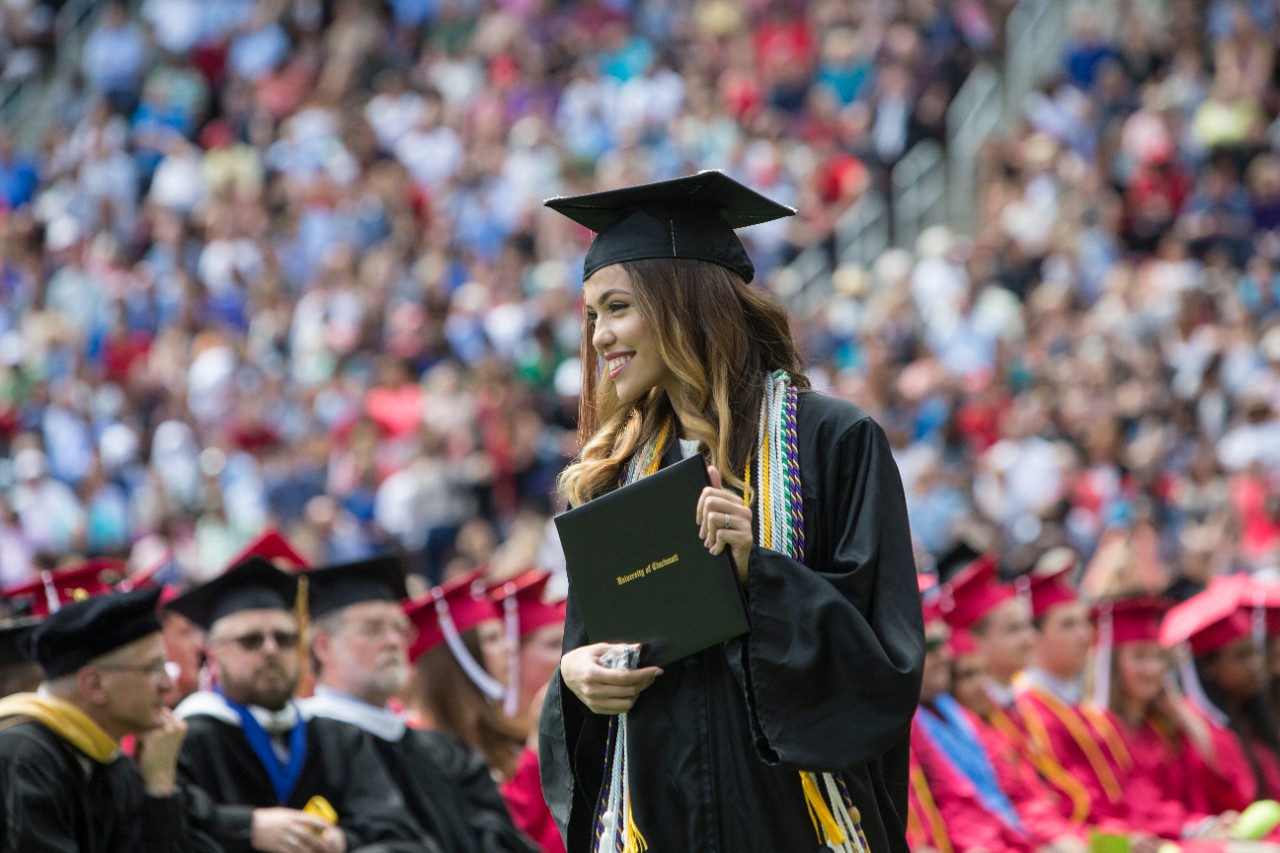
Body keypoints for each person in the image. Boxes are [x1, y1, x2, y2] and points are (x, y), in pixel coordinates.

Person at [539, 171, 924, 853]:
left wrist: (759, 569)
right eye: (593, 314)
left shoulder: (832, 442)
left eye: (619, 307)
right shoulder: (608, 482)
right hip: (662, 820)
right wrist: (573, 680)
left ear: (683, 302)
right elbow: (589, 651)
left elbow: (885, 668)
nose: (599, 336)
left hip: (798, 824)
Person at [168, 556, 430, 853]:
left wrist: (341, 841)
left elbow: (400, 833)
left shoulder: (338, 737)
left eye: (285, 639)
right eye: (251, 640)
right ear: (212, 652)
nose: (270, 650)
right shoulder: (189, 738)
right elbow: (170, 828)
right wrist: (247, 828)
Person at [303, 555, 539, 853]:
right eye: (373, 629)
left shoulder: (443, 752)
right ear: (323, 645)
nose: (393, 641)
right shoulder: (305, 748)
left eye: (399, 629)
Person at [0, 587, 220, 852]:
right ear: (94, 685)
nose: (167, 684)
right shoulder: (23, 759)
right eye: (153, 668)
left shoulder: (112, 762)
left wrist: (159, 785)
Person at [401, 567, 529, 781]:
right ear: (454, 661)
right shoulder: (418, 752)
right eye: (492, 638)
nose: (511, 647)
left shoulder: (504, 736)